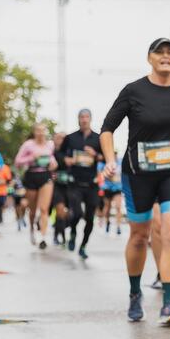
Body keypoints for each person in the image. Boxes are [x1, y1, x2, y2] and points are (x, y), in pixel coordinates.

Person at [100, 37, 170, 325]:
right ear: (149, 58)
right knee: (139, 235)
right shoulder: (133, 91)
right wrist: (109, 160)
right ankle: (135, 293)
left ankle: (169, 303)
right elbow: (107, 128)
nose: (165, 56)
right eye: (159, 52)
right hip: (138, 172)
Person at [61, 109, 103, 259]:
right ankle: (72, 233)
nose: (84, 120)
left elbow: (106, 157)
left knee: (90, 218)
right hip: (75, 183)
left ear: (90, 119)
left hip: (91, 183)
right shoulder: (71, 138)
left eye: (86, 117)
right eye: (81, 117)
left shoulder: (98, 138)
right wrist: (66, 159)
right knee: (77, 213)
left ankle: (83, 245)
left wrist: (96, 155)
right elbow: (60, 153)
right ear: (78, 119)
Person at [14, 123, 58, 249]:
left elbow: (52, 158)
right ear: (34, 132)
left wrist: (53, 163)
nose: (40, 133)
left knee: (44, 209)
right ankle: (32, 229)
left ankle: (43, 237)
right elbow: (17, 162)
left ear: (45, 132)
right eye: (38, 130)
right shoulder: (28, 144)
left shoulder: (50, 144)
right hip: (31, 176)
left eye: (42, 130)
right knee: (32, 210)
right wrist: (31, 157)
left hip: (45, 175)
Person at [50, 131, 70, 245]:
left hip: (69, 186)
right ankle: (59, 237)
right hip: (56, 186)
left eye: (63, 138)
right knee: (60, 211)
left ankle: (60, 232)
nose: (60, 140)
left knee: (69, 213)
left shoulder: (70, 152)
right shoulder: (51, 153)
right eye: (58, 138)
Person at [98, 153, 124, 235]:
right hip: (108, 188)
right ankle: (107, 223)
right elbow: (100, 175)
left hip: (118, 188)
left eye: (116, 153)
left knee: (118, 207)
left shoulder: (120, 162)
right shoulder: (103, 163)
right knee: (107, 207)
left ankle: (118, 226)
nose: (115, 155)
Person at [0, 159, 13, 231]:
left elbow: (8, 180)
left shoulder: (5, 168)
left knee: (0, 206)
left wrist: (3, 182)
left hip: (2, 192)